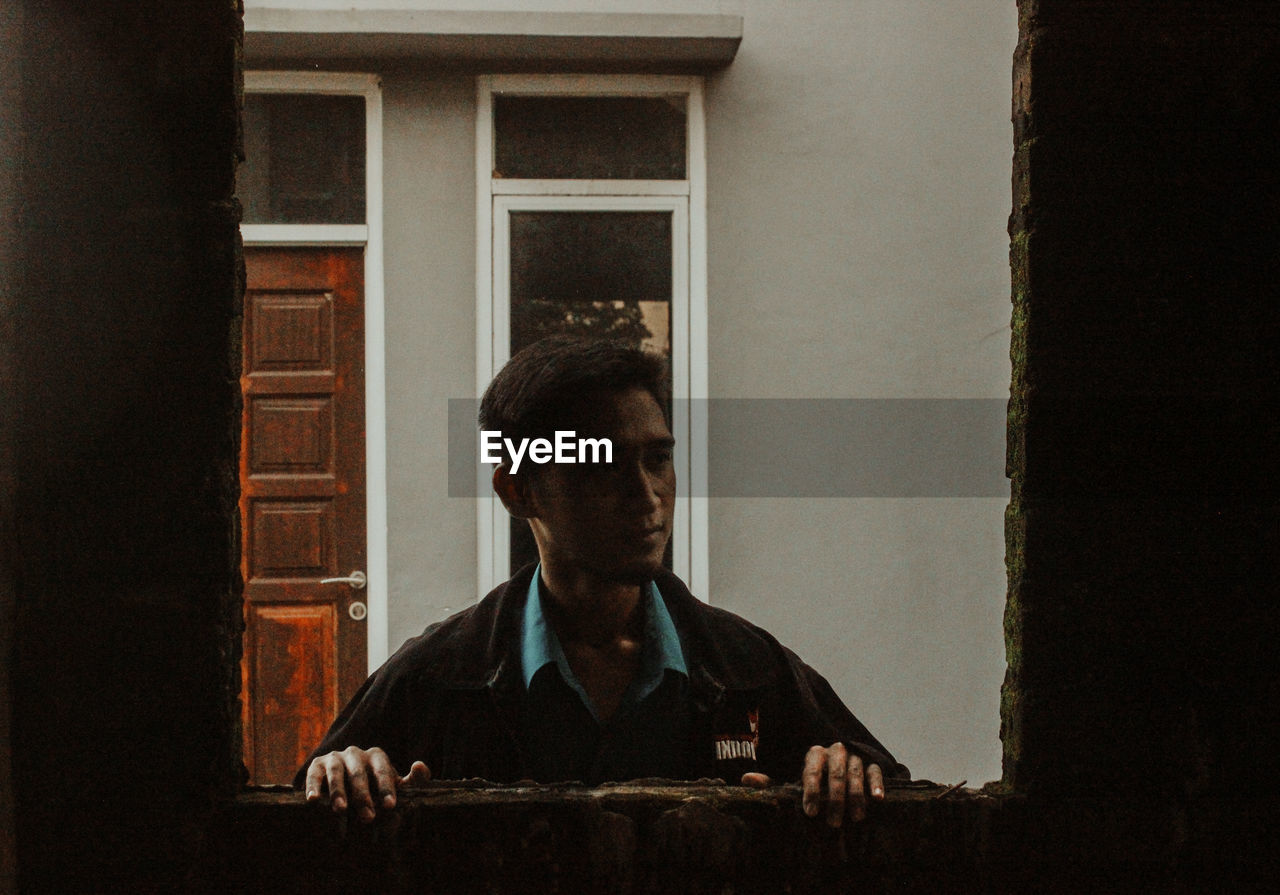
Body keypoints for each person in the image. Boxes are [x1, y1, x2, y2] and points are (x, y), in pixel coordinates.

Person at [297, 337, 907, 827]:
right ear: (518, 489)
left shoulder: (748, 668)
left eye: (658, 459)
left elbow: (891, 791)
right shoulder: (437, 677)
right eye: (603, 464)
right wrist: (343, 772)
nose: (647, 497)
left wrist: (845, 768)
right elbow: (300, 813)